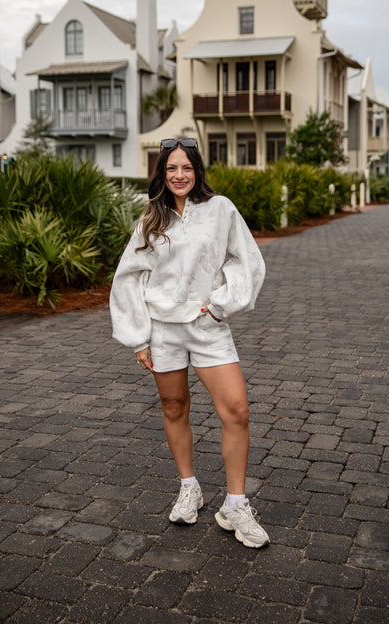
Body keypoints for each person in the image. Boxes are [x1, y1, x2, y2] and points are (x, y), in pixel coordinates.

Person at [110, 138, 269, 548]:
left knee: (236, 410)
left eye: (186, 168)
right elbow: (130, 276)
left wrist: (221, 305)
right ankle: (189, 487)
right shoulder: (151, 218)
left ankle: (235, 504)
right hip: (163, 329)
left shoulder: (221, 210)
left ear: (197, 171)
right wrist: (138, 338)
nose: (179, 175)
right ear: (162, 174)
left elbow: (245, 259)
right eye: (170, 169)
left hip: (206, 325)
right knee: (174, 405)